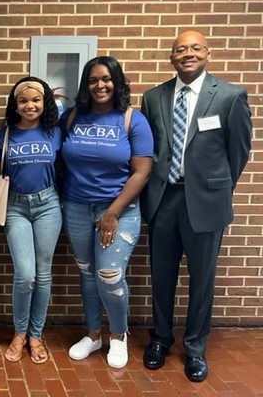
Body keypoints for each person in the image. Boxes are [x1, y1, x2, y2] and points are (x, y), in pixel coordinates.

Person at [140, 30, 252, 382]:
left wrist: (217, 187)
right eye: (180, 49)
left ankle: (195, 348)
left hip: (205, 200)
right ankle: (159, 339)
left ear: (207, 53)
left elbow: (239, 152)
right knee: (161, 276)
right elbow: (152, 148)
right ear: (171, 58)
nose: (188, 53)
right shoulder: (153, 97)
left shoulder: (230, 96)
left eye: (195, 48)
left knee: (202, 279)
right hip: (164, 198)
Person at [59, 56, 153, 369]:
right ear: (86, 85)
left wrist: (112, 212)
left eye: (106, 79)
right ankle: (93, 334)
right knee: (86, 271)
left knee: (109, 275)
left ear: (117, 82)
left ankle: (118, 336)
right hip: (76, 206)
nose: (100, 85)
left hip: (118, 209)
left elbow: (141, 171)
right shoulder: (73, 117)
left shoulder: (132, 119)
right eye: (93, 80)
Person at [0, 76, 62, 364]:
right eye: (23, 100)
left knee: (43, 274)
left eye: (36, 99)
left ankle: (35, 335)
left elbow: (64, 167)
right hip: (15, 207)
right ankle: (19, 333)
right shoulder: (5, 134)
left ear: (45, 102)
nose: (30, 105)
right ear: (15, 105)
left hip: (48, 205)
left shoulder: (54, 132)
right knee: (25, 274)